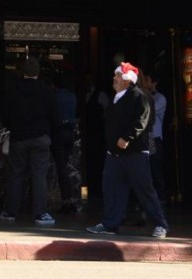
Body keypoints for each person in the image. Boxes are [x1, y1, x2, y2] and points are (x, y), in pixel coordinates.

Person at [87, 63, 168, 239]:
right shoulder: (115, 98)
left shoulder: (139, 96)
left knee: (144, 188)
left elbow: (143, 120)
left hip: (135, 153)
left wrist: (127, 137)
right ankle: (110, 223)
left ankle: (160, 223)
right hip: (114, 153)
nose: (114, 78)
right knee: (112, 188)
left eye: (117, 75)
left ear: (127, 79)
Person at [0, 57, 56, 226]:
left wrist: (13, 127)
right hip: (40, 137)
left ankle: (11, 211)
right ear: (38, 72)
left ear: (22, 72)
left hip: (19, 138)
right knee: (39, 175)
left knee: (16, 175)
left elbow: (5, 116)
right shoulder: (46, 91)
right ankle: (40, 213)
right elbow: (54, 116)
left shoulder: (12, 89)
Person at [50, 71, 79, 214]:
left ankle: (66, 200)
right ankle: (69, 198)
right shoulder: (72, 96)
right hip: (70, 132)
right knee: (65, 166)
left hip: (58, 132)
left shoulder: (55, 97)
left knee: (61, 167)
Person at [141, 70, 168, 209]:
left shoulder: (160, 98)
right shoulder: (144, 96)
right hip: (144, 137)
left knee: (155, 168)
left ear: (154, 83)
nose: (145, 82)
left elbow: (147, 110)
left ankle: (161, 198)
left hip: (153, 137)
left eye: (147, 80)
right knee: (144, 169)